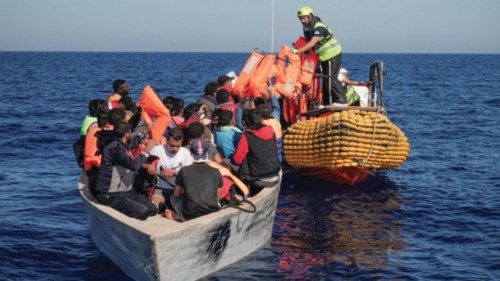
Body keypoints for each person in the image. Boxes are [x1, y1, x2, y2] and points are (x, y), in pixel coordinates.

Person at [94, 122, 159, 220]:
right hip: (110, 195)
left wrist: (144, 134)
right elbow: (134, 165)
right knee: (143, 211)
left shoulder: (120, 144)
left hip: (126, 192)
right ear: (127, 134)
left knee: (152, 209)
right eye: (130, 133)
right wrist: (147, 150)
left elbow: (131, 143)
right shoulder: (115, 148)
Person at [294, 6, 345, 106]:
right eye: (300, 19)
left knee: (332, 78)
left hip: (333, 54)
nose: (302, 20)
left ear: (310, 17)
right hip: (324, 57)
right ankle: (326, 103)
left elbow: (312, 43)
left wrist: (297, 51)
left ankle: (342, 101)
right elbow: (310, 46)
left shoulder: (318, 27)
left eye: (304, 18)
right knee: (326, 80)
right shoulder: (307, 29)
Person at [167, 138, 223, 221]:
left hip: (189, 215)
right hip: (212, 211)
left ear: (191, 154)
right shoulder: (216, 171)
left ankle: (179, 215)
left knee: (173, 198)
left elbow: (176, 194)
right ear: (206, 154)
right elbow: (217, 197)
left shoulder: (184, 170)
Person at [232, 109, 281, 192]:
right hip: (275, 173)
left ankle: (243, 193)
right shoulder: (271, 130)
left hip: (259, 177)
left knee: (237, 162)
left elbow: (237, 160)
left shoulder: (246, 136)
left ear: (246, 121)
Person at [149, 127, 193, 212]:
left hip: (179, 190)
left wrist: (174, 173)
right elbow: (145, 164)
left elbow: (190, 175)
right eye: (172, 146)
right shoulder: (157, 150)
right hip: (160, 188)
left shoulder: (186, 153)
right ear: (166, 141)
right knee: (155, 208)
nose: (175, 149)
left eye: (178, 146)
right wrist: (150, 168)